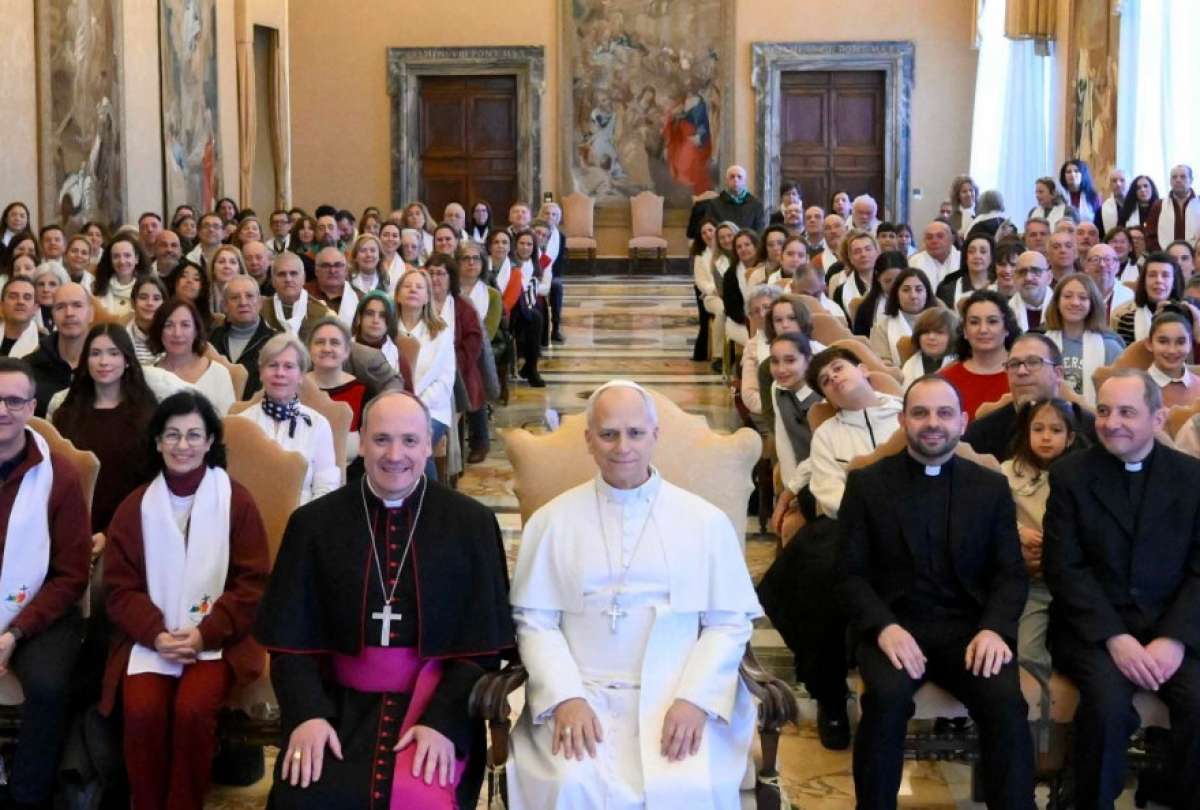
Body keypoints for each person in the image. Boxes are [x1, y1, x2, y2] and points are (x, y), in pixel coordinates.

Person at [507, 380, 761, 809]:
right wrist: (566, 696)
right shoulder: (552, 522)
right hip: (581, 689)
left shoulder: (704, 522)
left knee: (687, 789)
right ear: (589, 440)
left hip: (676, 693)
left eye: (636, 433)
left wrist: (695, 699)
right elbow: (535, 621)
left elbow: (728, 621)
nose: (622, 446)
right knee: (570, 784)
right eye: (608, 434)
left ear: (655, 436)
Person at [256, 390, 514, 808]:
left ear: (430, 444)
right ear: (361, 441)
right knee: (306, 795)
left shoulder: (471, 525)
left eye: (410, 441)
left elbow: (481, 648)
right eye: (381, 440)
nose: (396, 455)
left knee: (422, 796)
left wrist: (444, 723)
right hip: (335, 704)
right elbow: (289, 643)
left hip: (434, 703)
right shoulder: (314, 525)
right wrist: (307, 714)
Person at [840, 375, 1035, 810]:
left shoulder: (989, 487)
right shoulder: (867, 485)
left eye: (944, 413)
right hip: (894, 627)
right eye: (921, 412)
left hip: (969, 630)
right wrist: (883, 627)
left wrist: (994, 630)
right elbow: (849, 574)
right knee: (886, 700)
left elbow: (1010, 573)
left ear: (963, 422)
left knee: (1005, 702)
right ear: (904, 420)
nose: (933, 423)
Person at [100, 390, 268, 810]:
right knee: (141, 712)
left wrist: (204, 633)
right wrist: (156, 633)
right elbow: (119, 588)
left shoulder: (237, 500)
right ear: (157, 442)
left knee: (193, 712)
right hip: (150, 641)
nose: (182, 445)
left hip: (218, 642)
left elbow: (253, 584)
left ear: (211, 441)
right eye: (172, 435)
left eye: (194, 435)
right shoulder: (135, 507)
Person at [1043, 369, 1200, 809]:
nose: (1112, 422)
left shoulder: (1192, 477)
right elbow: (1065, 568)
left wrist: (1174, 639)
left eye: (1127, 412)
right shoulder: (1071, 476)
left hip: (1173, 628)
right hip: (1092, 631)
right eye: (1105, 410)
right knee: (1108, 706)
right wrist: (1115, 638)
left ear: (1158, 418)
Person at [759, 346, 903, 751]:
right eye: (826, 381)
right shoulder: (829, 434)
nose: (836, 379)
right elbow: (828, 494)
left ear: (861, 369)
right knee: (809, 579)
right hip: (848, 528)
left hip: (916, 526)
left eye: (839, 369)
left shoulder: (907, 413)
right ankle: (830, 695)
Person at [0, 356, 91, 807]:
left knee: (49, 685)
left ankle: (27, 796)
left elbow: (72, 574)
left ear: (32, 407)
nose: (3, 410)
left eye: (14, 401)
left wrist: (16, 631)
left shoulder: (59, 476)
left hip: (41, 612)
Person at [1002, 398, 1081, 690]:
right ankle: (1039, 706)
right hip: (1030, 581)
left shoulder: (1081, 473)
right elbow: (993, 518)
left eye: (1056, 430)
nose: (1046, 437)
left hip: (1071, 580)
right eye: (1038, 429)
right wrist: (1019, 532)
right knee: (1027, 652)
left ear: (1071, 437)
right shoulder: (1008, 472)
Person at [51, 324, 158, 538]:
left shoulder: (149, 417)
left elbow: (153, 486)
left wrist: (109, 534)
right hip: (71, 529)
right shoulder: (65, 416)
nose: (103, 362)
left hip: (131, 529)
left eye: (113, 353)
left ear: (127, 360)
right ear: (85, 361)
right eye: (95, 353)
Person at [235, 332, 339, 503]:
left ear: (301, 376)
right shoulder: (241, 424)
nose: (280, 373)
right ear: (261, 373)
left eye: (289, 366)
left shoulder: (318, 425)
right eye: (272, 365)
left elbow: (326, 488)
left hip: (303, 521)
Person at [962, 332, 1098, 462]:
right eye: (1014, 364)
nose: (1021, 371)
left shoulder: (1089, 428)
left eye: (1033, 362)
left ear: (1058, 373)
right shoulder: (982, 433)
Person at [394, 269, 457, 475]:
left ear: (427, 297)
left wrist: (415, 406)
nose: (413, 289)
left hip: (432, 410)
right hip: (390, 407)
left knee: (418, 444)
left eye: (419, 287)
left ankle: (428, 501)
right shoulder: (387, 328)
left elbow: (444, 381)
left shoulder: (441, 331)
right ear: (397, 294)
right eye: (407, 286)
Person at [427, 253, 486, 465]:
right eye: (431, 273)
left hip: (460, 367)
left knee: (468, 385)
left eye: (441, 273)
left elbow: (473, 339)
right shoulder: (420, 304)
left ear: (450, 277)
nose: (435, 278)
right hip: (426, 370)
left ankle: (478, 443)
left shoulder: (461, 306)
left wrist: (454, 363)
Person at [766, 332, 821, 541]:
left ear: (808, 361)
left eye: (790, 361)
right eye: (774, 361)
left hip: (823, 473)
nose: (781, 369)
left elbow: (823, 453)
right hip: (799, 477)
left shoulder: (823, 394)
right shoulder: (777, 389)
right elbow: (784, 442)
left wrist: (795, 488)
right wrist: (790, 490)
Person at [1043, 273, 1124, 406]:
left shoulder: (1110, 347)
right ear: (1057, 302)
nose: (1075, 302)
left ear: (1092, 304)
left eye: (1083, 298)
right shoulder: (1042, 344)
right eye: (1067, 296)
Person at [938, 290, 1017, 421]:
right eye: (974, 322)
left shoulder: (1025, 373)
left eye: (992, 321)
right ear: (964, 331)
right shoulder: (945, 380)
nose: (983, 330)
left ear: (1007, 328)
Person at [151, 298, 237, 416]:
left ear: (196, 330)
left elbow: (227, 426)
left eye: (185, 325)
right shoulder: (149, 375)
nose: (177, 333)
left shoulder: (219, 373)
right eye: (169, 325)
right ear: (159, 330)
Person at [307, 317, 369, 469]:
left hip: (350, 482)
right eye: (320, 342)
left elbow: (369, 451)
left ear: (346, 351)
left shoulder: (363, 392)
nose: (327, 348)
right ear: (309, 349)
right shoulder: (292, 389)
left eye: (334, 343)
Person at [28, 283, 92, 416]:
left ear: (91, 313)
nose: (69, 313)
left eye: (77, 305)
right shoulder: (29, 368)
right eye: (60, 307)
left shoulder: (109, 366)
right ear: (52, 314)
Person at [209, 276, 279, 399]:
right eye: (235, 297)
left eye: (249, 296)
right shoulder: (211, 341)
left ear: (260, 303)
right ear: (224, 305)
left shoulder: (277, 343)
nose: (243, 302)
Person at [491, 232, 545, 387]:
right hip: (496, 309)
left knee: (535, 317)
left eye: (529, 244)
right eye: (522, 243)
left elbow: (516, 295)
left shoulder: (531, 266)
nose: (525, 247)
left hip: (512, 309)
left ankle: (531, 366)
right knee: (533, 316)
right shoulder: (491, 264)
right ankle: (529, 366)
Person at [1111, 252, 1185, 345]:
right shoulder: (1126, 317)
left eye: (1165, 275)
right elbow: (1124, 357)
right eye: (1152, 275)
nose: (1159, 280)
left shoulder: (1184, 314)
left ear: (1174, 282)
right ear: (1144, 281)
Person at [870, 267, 935, 367]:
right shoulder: (881, 327)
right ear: (896, 294)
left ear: (927, 293)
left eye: (919, 290)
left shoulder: (942, 323)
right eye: (906, 290)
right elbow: (883, 366)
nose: (913, 295)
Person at [263, 252, 331, 340]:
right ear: (272, 280)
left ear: (303, 278)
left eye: (293, 273)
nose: (288, 279)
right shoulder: (260, 311)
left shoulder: (323, 314)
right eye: (281, 274)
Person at [1146, 305, 1200, 408]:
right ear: (1149, 344)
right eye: (1163, 341)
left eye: (1180, 342)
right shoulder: (1136, 388)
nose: (1172, 350)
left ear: (1190, 345)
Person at [852, 251, 908, 337]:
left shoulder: (917, 302)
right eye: (887, 281)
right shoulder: (866, 308)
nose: (894, 286)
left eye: (898, 280)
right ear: (878, 278)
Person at [93, 233, 147, 321]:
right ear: (110, 260)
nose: (122, 261)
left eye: (127, 255)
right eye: (116, 256)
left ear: (136, 258)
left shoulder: (147, 287)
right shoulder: (96, 287)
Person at [1146, 163, 1199, 251]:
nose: (1178, 180)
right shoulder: (1158, 205)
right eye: (1174, 177)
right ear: (1170, 181)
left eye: (1183, 177)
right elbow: (1150, 236)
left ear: (1191, 180)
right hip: (1166, 259)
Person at [700, 164, 766, 234]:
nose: (735, 180)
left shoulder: (756, 205)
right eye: (732, 177)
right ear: (726, 181)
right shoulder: (714, 204)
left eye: (739, 177)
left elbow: (759, 233)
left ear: (744, 181)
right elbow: (710, 230)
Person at [901, 307, 958, 388]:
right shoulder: (910, 365)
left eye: (939, 332)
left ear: (952, 336)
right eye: (926, 332)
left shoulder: (962, 364)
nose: (931, 337)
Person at [1086, 242, 1135, 319]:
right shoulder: (1079, 295)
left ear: (1117, 266)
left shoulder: (1129, 296)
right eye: (1095, 259)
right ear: (1086, 266)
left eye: (1107, 259)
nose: (1102, 264)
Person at [908, 220, 960, 286]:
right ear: (924, 241)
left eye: (940, 236)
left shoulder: (963, 259)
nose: (934, 241)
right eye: (929, 237)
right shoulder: (914, 262)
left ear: (952, 239)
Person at [0, 277, 41, 359]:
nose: (20, 302)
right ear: (1, 305)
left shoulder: (46, 345)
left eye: (27, 297)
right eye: (13, 296)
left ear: (35, 308)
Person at [1060, 159, 1103, 228]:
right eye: (1068, 172)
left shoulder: (1093, 197)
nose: (1072, 174)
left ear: (1083, 174)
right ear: (1064, 176)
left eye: (1076, 171)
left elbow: (1099, 221)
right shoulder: (1060, 197)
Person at [1100, 169, 1127, 235]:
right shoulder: (1102, 209)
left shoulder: (1136, 206)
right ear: (1109, 185)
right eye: (1114, 181)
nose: (1118, 184)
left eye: (1122, 180)